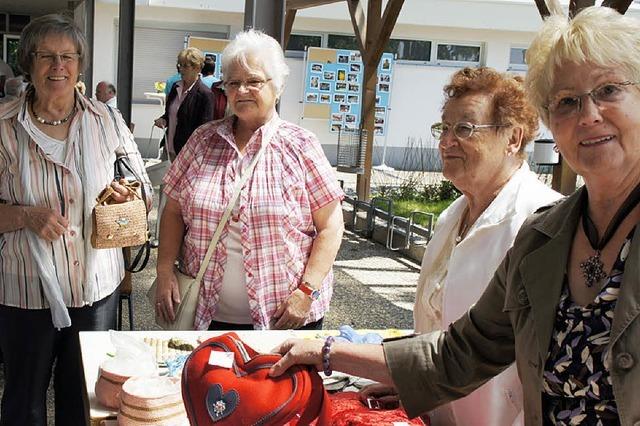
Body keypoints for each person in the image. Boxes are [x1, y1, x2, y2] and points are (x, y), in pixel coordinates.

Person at [270, 5, 640, 424]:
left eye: (609, 90)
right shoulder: (545, 237)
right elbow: (460, 354)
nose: (588, 115)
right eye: (567, 101)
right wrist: (329, 352)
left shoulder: (529, 215)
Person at [360, 67, 561, 426]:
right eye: (444, 128)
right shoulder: (453, 215)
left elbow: (546, 362)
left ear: (513, 138)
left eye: (465, 129)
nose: (446, 142)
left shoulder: (540, 222)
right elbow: (439, 330)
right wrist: (413, 384)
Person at [0, 14, 151, 425]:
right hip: (26, 289)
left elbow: (143, 189)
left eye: (68, 56)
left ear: (80, 65)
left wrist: (125, 196)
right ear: (28, 63)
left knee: (83, 401)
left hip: (95, 289)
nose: (58, 66)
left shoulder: (106, 120)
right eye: (46, 56)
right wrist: (24, 216)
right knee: (23, 401)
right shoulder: (4, 126)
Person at [154, 29, 344, 331]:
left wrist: (307, 290)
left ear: (277, 86)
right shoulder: (203, 141)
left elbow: (331, 227)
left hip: (283, 318)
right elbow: (174, 210)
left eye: (254, 81)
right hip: (205, 316)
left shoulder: (301, 145)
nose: (242, 90)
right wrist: (164, 271)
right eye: (233, 82)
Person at [154, 47, 214, 159]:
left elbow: (205, 130)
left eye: (185, 66)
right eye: (179, 65)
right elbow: (170, 115)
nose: (181, 69)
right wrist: (163, 120)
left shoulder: (205, 94)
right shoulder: (175, 87)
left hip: (188, 155)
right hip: (168, 150)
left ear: (197, 68)